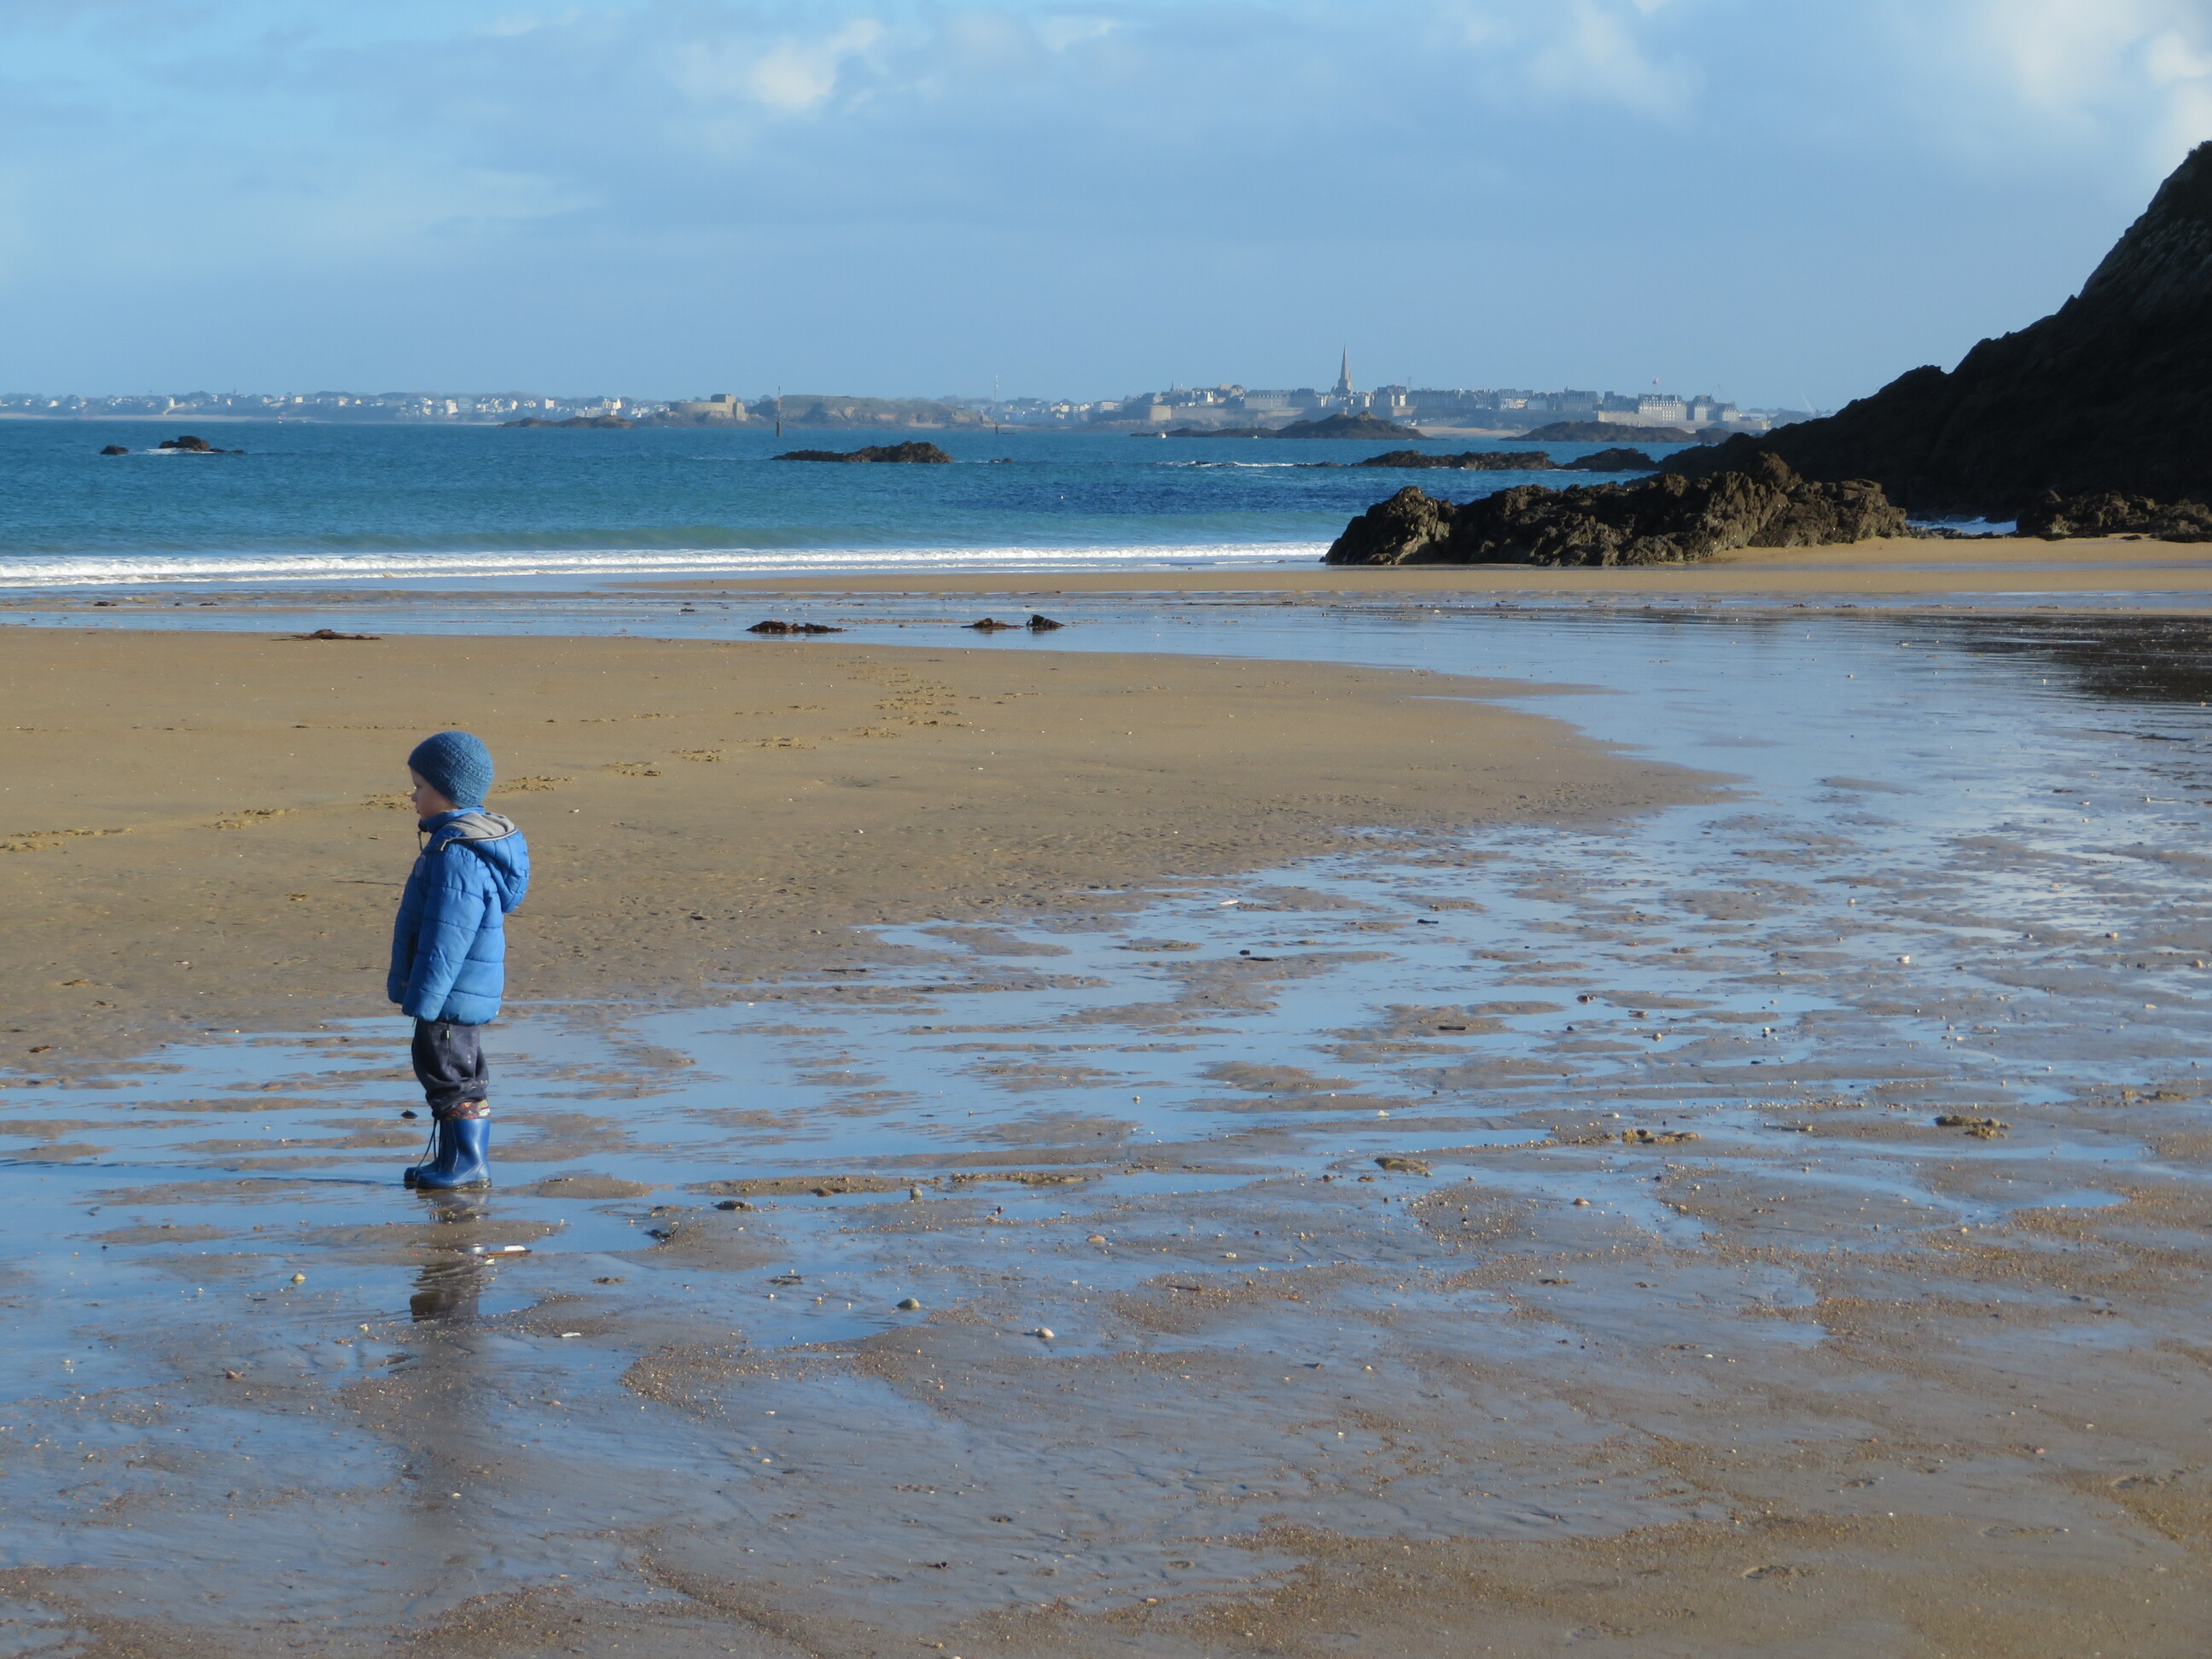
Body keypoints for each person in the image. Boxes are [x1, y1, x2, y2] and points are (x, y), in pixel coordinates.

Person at [387, 731, 530, 1189]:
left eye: (420, 787)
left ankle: (467, 1164)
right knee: (452, 1070)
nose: (413, 797)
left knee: (448, 1072)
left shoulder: (456, 854)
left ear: (448, 791)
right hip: (458, 991)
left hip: (450, 993)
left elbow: (449, 936)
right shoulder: (458, 843)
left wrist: (426, 999)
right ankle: (453, 1160)